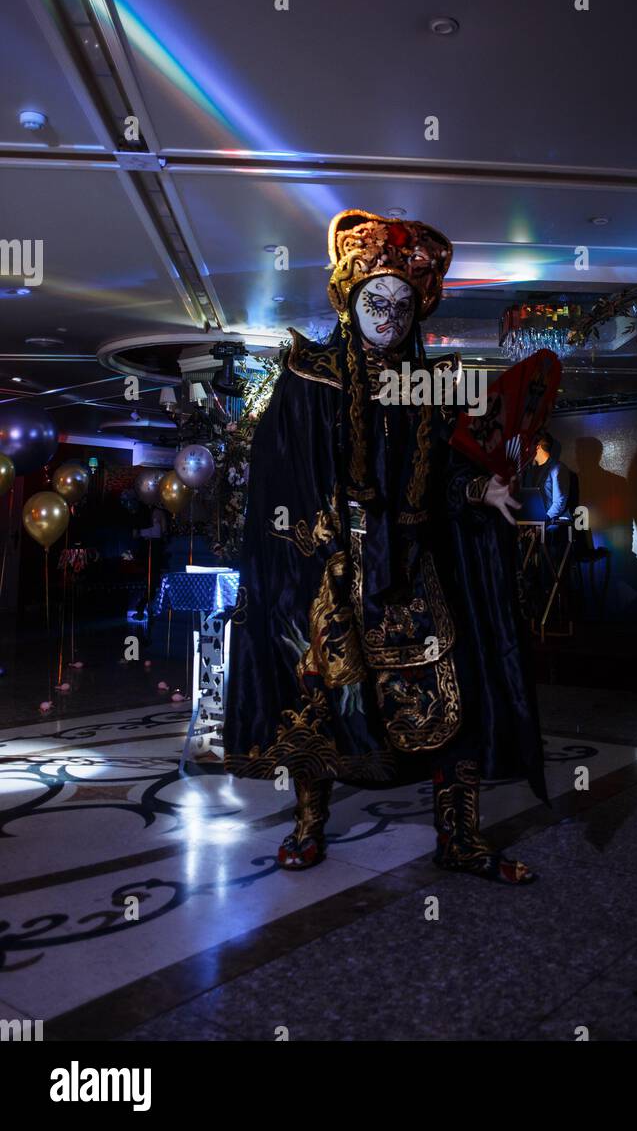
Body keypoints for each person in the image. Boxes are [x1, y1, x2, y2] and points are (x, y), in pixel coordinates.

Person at [224, 210, 548, 884]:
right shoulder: (308, 375)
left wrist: (476, 495)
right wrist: (321, 544)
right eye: (378, 301)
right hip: (330, 573)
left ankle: (458, 837)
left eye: (403, 305)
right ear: (350, 297)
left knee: (459, 694)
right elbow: (282, 477)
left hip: (412, 572)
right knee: (321, 700)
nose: (390, 316)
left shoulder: (430, 384)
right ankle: (309, 827)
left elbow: (447, 474)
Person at [526, 432, 569, 521]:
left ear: (537, 447)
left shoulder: (557, 468)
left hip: (549, 524)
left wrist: (544, 520)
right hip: (534, 523)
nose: (526, 449)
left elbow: (559, 502)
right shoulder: (531, 470)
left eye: (528, 446)